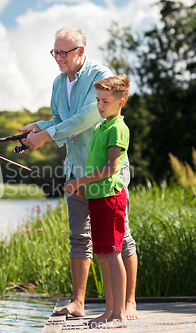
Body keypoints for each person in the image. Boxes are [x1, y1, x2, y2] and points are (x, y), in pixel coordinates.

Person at [18, 27, 138, 320]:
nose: (58, 58)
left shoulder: (100, 75)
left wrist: (46, 136)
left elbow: (86, 118)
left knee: (120, 238)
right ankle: (78, 302)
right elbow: (61, 119)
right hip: (75, 172)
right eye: (55, 52)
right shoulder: (59, 83)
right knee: (79, 237)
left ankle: (128, 303)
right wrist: (39, 125)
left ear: (80, 51)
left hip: (106, 175)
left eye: (63, 52)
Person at [65, 74, 131, 328]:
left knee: (113, 255)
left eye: (105, 101)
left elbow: (111, 169)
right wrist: (85, 189)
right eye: (98, 100)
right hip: (97, 198)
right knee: (103, 255)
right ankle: (109, 311)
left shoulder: (117, 128)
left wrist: (80, 182)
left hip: (111, 199)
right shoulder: (101, 127)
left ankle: (120, 315)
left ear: (120, 102)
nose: (100, 106)